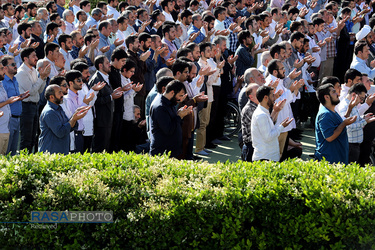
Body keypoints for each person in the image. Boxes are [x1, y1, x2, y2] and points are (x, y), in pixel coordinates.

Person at [38, 84, 90, 154]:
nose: (62, 94)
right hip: (51, 153)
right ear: (51, 97)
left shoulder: (59, 108)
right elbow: (60, 132)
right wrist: (74, 119)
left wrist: (76, 114)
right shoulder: (49, 112)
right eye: (59, 92)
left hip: (61, 152)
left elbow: (69, 127)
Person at [17, 48, 51, 153]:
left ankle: (30, 161)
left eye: (36, 56)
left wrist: (44, 78)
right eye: (33, 56)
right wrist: (41, 77)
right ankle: (23, 163)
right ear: (25, 58)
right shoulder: (21, 72)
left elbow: (39, 90)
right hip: (26, 107)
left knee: (33, 137)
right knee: (26, 138)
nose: (36, 58)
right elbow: (30, 91)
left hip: (34, 106)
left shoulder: (33, 71)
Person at [315, 84, 356, 164]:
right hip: (329, 160)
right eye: (334, 92)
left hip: (337, 158)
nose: (338, 94)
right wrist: (344, 124)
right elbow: (329, 137)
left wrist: (349, 109)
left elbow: (338, 124)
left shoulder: (332, 111)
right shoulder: (325, 114)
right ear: (326, 97)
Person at [89, 55, 123, 153]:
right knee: (100, 149)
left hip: (107, 119)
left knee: (106, 147)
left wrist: (114, 92)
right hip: (101, 120)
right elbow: (94, 100)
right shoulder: (96, 79)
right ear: (100, 65)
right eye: (107, 63)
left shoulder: (105, 77)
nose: (110, 65)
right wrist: (111, 97)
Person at [149, 80, 192, 158]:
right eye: (180, 95)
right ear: (172, 92)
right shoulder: (160, 107)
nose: (181, 99)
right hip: (162, 152)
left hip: (171, 150)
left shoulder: (169, 102)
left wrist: (179, 114)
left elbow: (173, 121)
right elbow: (168, 130)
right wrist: (179, 116)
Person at [251, 85, 293, 161]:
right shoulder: (261, 115)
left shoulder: (264, 112)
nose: (275, 98)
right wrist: (282, 126)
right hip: (264, 158)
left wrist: (276, 111)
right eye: (272, 95)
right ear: (266, 98)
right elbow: (269, 137)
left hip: (268, 157)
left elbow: (269, 129)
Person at [337, 83, 375, 163]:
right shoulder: (345, 106)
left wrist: (363, 117)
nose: (361, 101)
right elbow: (347, 125)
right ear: (354, 94)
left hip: (354, 144)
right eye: (361, 98)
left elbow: (354, 119)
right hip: (350, 145)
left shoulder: (352, 104)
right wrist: (364, 122)